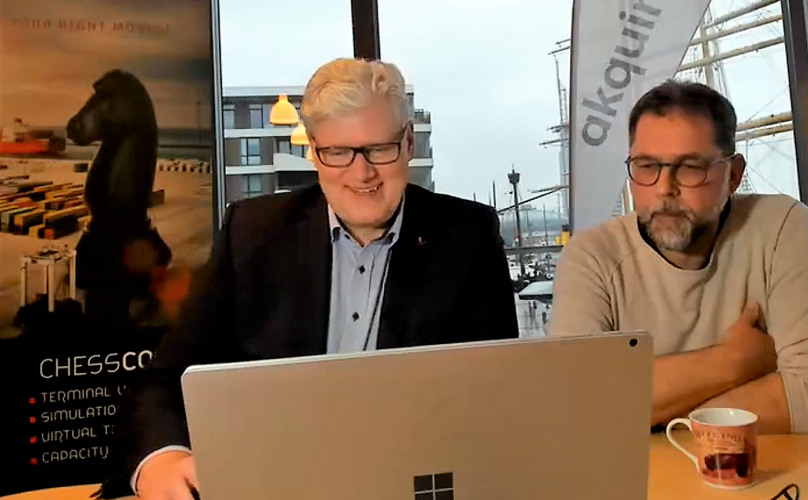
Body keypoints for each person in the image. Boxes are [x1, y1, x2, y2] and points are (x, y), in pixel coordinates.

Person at [97, 58, 519, 500]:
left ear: (409, 143)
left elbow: (495, 400)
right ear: (313, 151)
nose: (362, 173)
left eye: (379, 149)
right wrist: (163, 458)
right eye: (338, 152)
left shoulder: (467, 237)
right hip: (272, 485)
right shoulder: (251, 232)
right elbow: (164, 381)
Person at [548, 80, 808, 435]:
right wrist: (734, 362)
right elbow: (574, 408)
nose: (664, 189)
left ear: (734, 175)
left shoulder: (782, 228)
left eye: (691, 167)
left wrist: (637, 413)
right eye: (647, 166)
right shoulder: (592, 258)